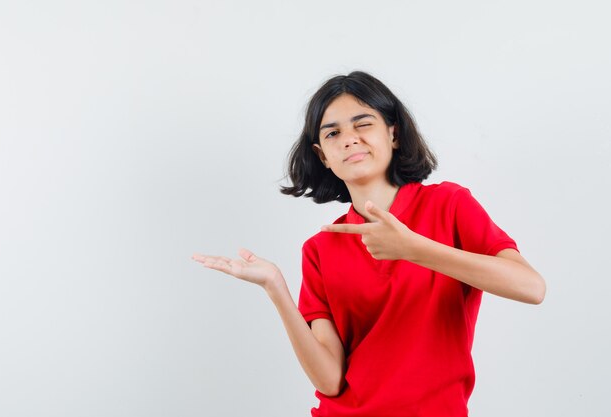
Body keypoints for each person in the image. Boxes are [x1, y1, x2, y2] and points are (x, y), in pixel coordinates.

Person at [192, 71, 546, 417]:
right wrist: (276, 289)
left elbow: (531, 288)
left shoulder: (449, 205)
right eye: (333, 133)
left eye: (363, 124)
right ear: (322, 156)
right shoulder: (320, 249)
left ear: (393, 134)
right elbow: (330, 381)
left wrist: (413, 248)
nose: (349, 138)